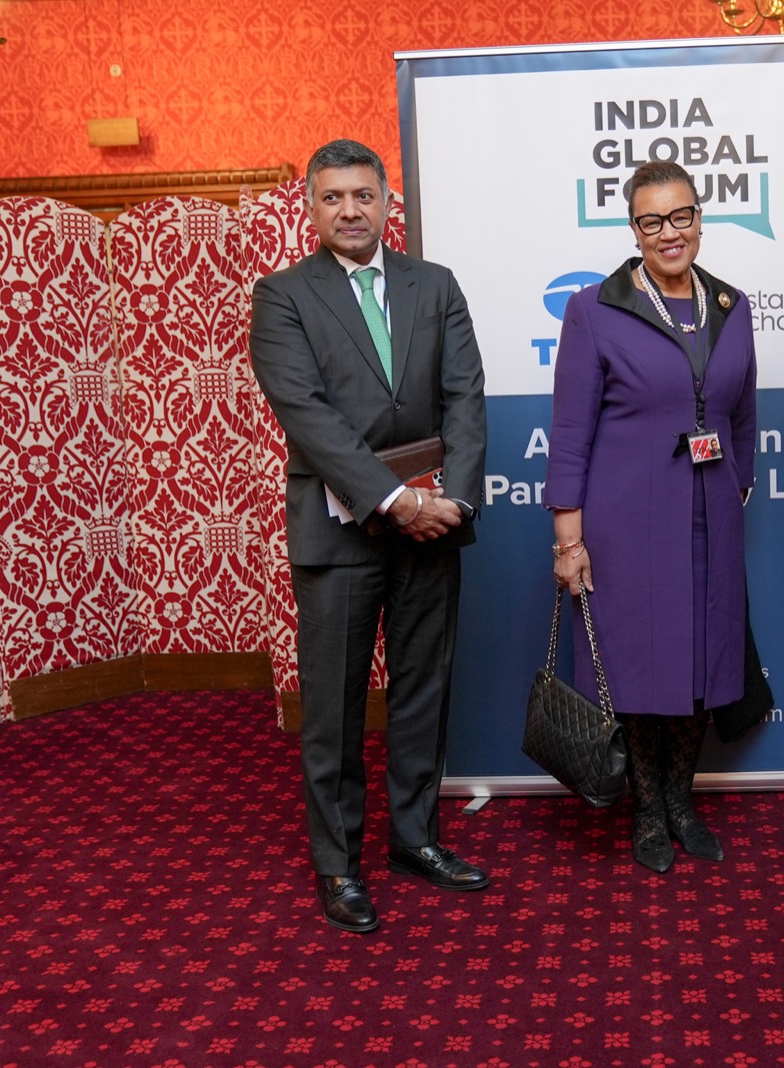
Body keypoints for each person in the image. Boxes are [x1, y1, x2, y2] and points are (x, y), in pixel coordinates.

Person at [250, 138, 490, 934]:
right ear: (311, 208)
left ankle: (415, 840)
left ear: (388, 202)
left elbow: (465, 397)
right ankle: (339, 864)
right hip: (339, 536)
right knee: (335, 708)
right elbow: (306, 415)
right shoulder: (283, 296)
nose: (350, 211)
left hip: (433, 531)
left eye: (363, 195)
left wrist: (452, 502)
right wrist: (396, 500)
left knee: (423, 693)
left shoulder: (436, 284)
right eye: (333, 197)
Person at [547, 160, 758, 874]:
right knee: (637, 663)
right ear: (633, 229)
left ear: (700, 217)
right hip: (625, 525)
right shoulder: (594, 309)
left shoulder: (731, 305)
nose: (670, 232)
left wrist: (737, 488)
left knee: (701, 657)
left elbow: (742, 415)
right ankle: (645, 811)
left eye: (681, 216)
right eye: (652, 220)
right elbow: (570, 433)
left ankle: (680, 801)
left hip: (709, 520)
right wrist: (568, 540)